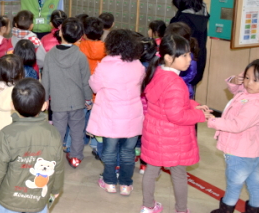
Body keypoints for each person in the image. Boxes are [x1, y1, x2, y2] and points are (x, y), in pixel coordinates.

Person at [140, 34, 208, 213]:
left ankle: (147, 206)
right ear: (169, 58)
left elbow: (171, 102)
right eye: (184, 55)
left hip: (155, 132)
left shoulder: (158, 72)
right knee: (178, 174)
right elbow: (176, 115)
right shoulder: (176, 83)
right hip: (172, 137)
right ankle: (181, 209)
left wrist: (196, 106)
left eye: (189, 54)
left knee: (151, 170)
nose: (189, 59)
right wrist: (200, 116)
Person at [0, 78, 64, 213]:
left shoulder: (7, 134)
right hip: (38, 201)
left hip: (9, 201)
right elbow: (58, 167)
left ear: (12, 105)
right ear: (45, 105)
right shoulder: (53, 134)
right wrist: (56, 189)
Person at [86, 29, 144, 195]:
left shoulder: (106, 64)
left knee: (109, 151)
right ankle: (126, 184)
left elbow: (94, 86)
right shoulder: (137, 64)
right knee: (128, 152)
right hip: (132, 115)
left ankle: (110, 181)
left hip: (111, 115)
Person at [207, 60, 259, 213]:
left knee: (234, 184)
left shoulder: (256, 103)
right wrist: (235, 80)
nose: (249, 83)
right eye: (247, 78)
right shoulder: (250, 93)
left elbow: (237, 125)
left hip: (239, 151)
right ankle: (256, 209)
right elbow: (236, 89)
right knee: (253, 182)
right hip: (252, 150)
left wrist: (212, 121)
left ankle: (226, 210)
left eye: (256, 80)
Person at [42, 18, 92, 169]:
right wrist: (88, 99)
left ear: (61, 32)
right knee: (77, 131)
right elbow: (86, 81)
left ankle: (54, 158)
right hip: (77, 101)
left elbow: (46, 80)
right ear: (79, 37)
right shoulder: (81, 56)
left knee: (58, 131)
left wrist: (45, 99)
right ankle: (76, 157)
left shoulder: (50, 55)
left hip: (58, 102)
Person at [171, 0, 210, 87]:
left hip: (183, 67)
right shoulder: (201, 13)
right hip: (197, 63)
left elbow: (175, 48)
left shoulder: (183, 20)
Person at [78, 16, 106, 158]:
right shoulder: (106, 49)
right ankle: (96, 145)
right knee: (97, 119)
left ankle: (80, 141)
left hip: (83, 91)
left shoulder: (79, 47)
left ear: (84, 33)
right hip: (100, 93)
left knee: (81, 117)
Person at [137, 37, 158, 175]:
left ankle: (134, 153)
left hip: (136, 108)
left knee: (135, 134)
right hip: (150, 110)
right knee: (148, 138)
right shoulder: (157, 69)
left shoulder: (134, 67)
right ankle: (144, 164)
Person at [165, 22, 199, 99]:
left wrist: (171, 80)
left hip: (182, 92)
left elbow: (190, 75)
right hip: (171, 90)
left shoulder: (188, 58)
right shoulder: (171, 54)